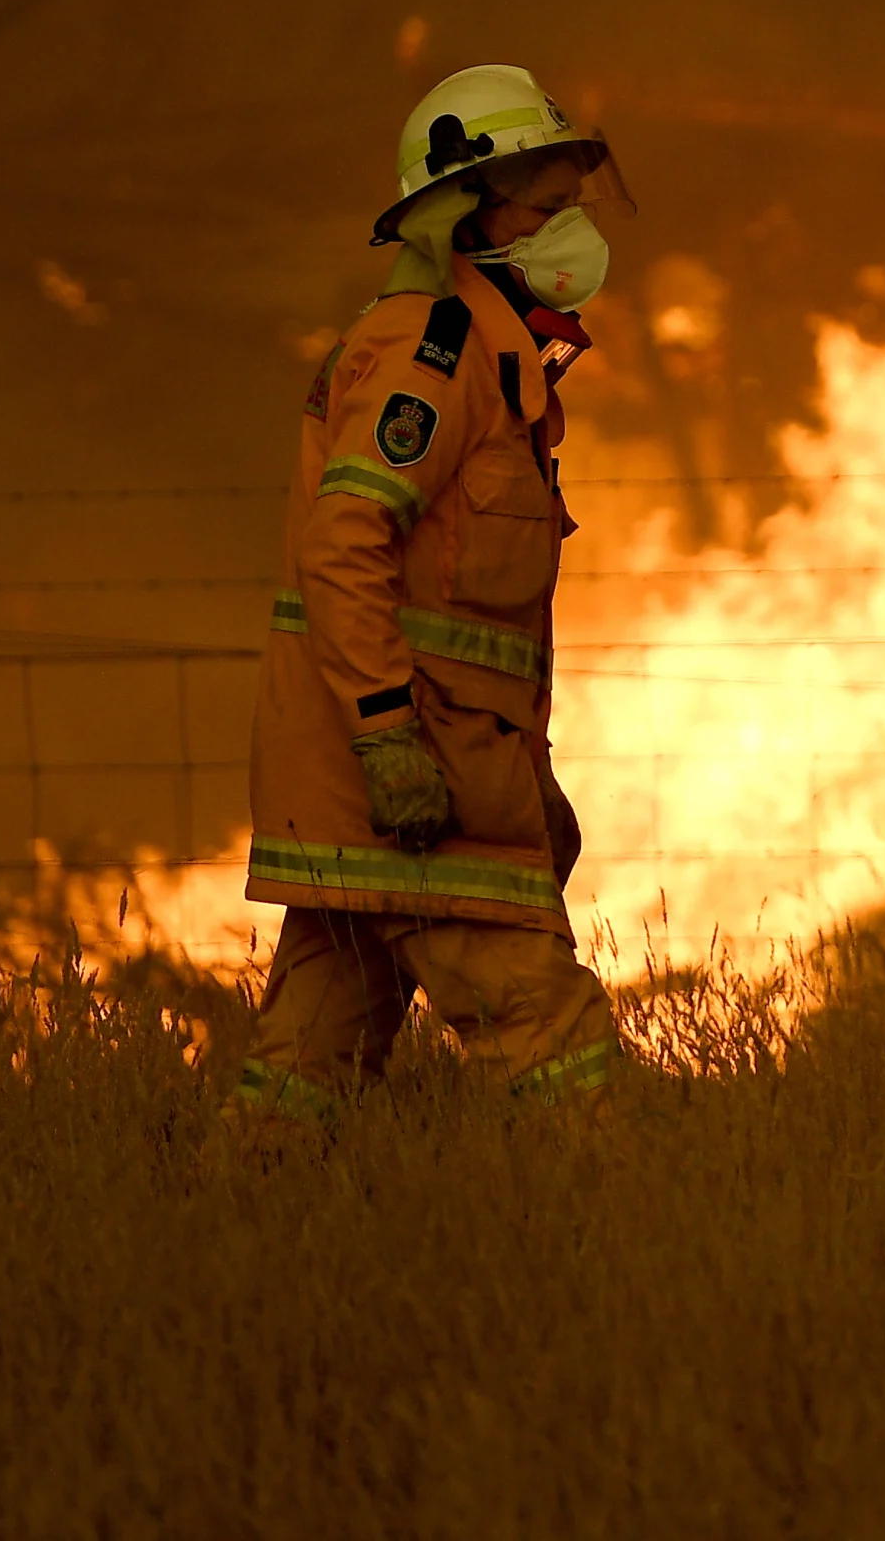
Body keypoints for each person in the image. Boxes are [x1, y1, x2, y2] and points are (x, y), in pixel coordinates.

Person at [230, 63, 633, 1122]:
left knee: (306, 1067)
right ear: (472, 217)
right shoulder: (429, 353)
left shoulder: (500, 364)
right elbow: (345, 544)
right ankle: (649, 1227)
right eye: (550, 209)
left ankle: (222, 1236)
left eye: (573, 208)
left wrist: (530, 778)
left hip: (430, 769)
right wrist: (386, 736)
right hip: (410, 780)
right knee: (555, 1043)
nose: (572, 232)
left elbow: (472, 618)